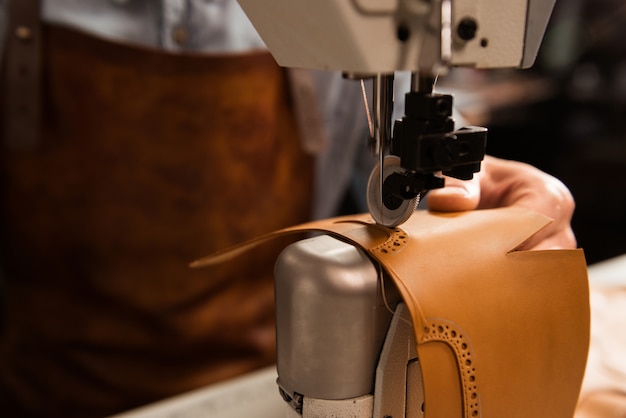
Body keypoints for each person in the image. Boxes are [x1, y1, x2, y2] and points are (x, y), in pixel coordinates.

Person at [0, 1, 578, 417]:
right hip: (52, 394)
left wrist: (481, 208)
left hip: (280, 391)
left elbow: (409, 169)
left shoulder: (344, 19)